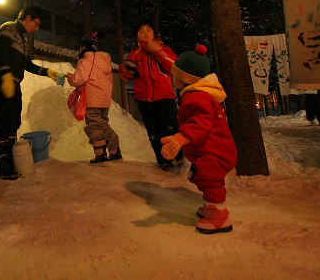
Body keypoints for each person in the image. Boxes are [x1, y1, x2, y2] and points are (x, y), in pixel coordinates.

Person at [160, 45, 237, 234]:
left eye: (175, 74)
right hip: (210, 149)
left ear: (188, 78)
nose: (172, 77)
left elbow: (200, 122)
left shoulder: (196, 97)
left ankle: (219, 217)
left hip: (213, 152)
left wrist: (181, 137)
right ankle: (212, 208)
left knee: (210, 180)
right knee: (204, 178)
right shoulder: (197, 94)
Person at [0, 6, 60, 180]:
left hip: (15, 87)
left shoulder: (22, 39)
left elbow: (27, 64)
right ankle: (0, 167)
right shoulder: (7, 30)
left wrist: (46, 72)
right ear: (27, 18)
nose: (36, 28)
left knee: (13, 123)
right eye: (36, 24)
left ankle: (10, 162)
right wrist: (5, 76)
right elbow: (1, 55)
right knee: (2, 124)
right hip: (3, 86)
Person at [118, 22, 183, 171]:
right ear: (136, 36)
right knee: (154, 132)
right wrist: (125, 71)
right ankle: (163, 160)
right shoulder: (134, 54)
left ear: (154, 33)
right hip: (143, 98)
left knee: (170, 127)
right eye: (141, 30)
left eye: (148, 30)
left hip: (165, 95)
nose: (145, 33)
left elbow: (174, 66)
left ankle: (178, 154)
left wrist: (158, 51)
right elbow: (128, 74)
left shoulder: (163, 49)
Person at [66, 31, 122, 164]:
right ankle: (115, 151)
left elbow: (79, 80)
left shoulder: (86, 60)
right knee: (103, 124)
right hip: (104, 101)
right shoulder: (105, 62)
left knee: (94, 125)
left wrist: (70, 77)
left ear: (84, 47)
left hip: (91, 100)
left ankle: (100, 154)